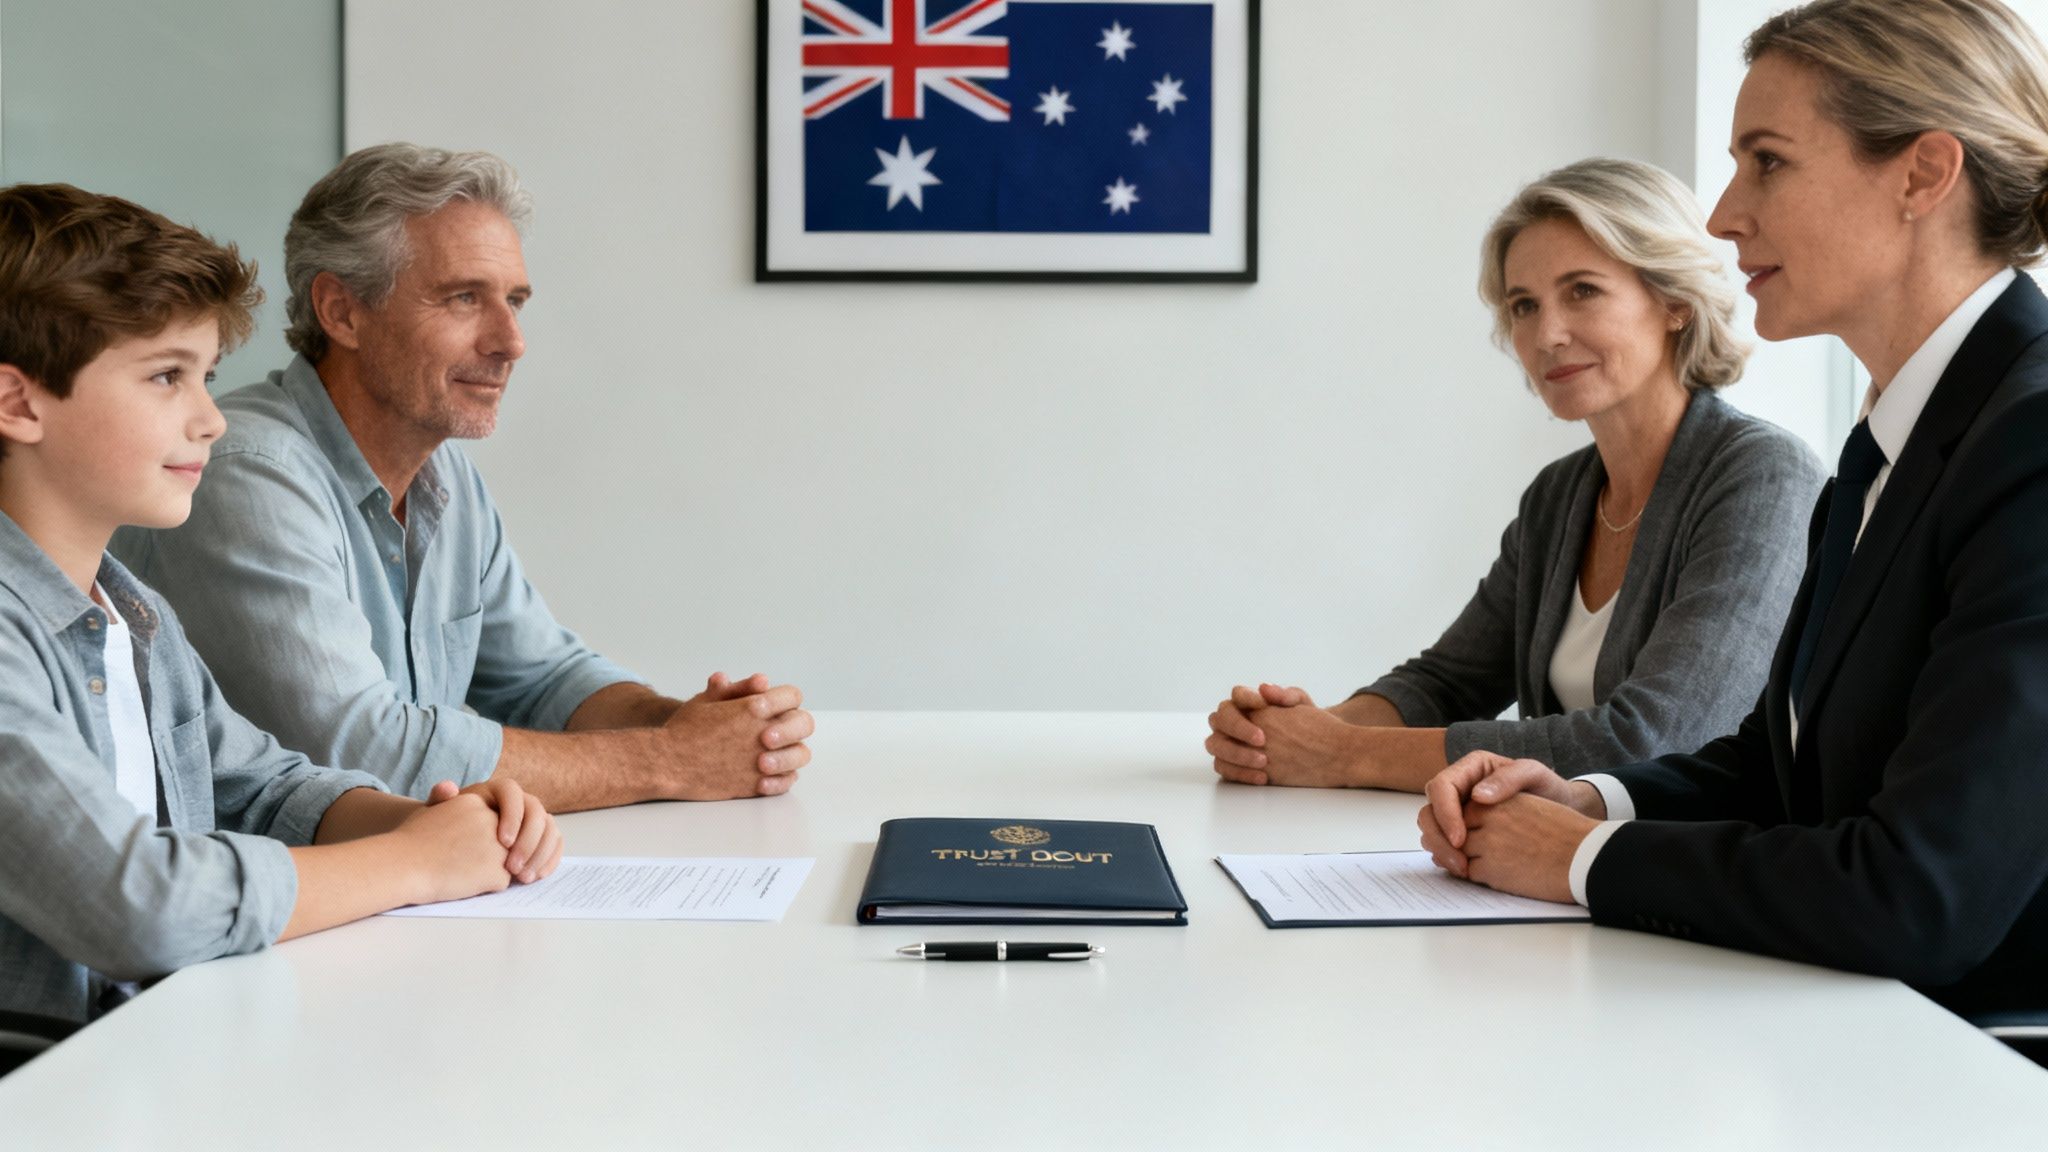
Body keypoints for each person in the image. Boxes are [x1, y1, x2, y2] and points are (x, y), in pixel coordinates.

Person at [1418, 0, 2048, 1019]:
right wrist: (1588, 798)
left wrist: (1586, 859)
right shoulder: (1889, 441)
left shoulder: (2027, 444)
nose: (1720, 216)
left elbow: (1920, 895)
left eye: (1766, 161)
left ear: (1922, 175)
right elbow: (1776, 768)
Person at [0, 183, 560, 1032]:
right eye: (165, 378)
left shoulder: (130, 607)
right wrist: (413, 864)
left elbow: (263, 789)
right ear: (17, 402)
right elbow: (139, 906)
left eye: (207, 377)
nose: (210, 420)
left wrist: (436, 821)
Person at [114, 144, 813, 812]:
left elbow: (544, 678)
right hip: (277, 914)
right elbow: (362, 751)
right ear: (342, 311)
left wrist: (704, 728)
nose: (510, 341)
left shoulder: (444, 473)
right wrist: (670, 761)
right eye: (462, 299)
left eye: (516, 300)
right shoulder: (247, 473)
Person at [1208, 159, 1823, 793]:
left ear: (1673, 301)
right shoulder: (1559, 497)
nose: (1547, 334)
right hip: (1546, 868)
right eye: (1524, 305)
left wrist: (1342, 754)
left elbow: (1653, 741)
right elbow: (1447, 683)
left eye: (1582, 290)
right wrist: (1287, 736)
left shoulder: (1763, 475)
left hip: (1691, 877)